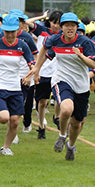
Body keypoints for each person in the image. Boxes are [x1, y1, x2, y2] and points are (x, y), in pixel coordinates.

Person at [25, 12, 95, 161]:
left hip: (81, 84)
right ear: (61, 27)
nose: (70, 28)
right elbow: (44, 49)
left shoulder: (84, 42)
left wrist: (81, 56)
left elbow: (92, 64)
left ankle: (71, 146)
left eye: (73, 25)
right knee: (66, 108)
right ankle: (62, 135)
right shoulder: (56, 40)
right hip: (62, 79)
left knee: (77, 123)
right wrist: (37, 69)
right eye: (66, 25)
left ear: (76, 28)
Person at [0, 14, 35, 155]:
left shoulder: (22, 45)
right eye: (7, 31)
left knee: (14, 121)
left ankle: (6, 147)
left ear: (18, 30)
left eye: (12, 31)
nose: (9, 34)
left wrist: (29, 75)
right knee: (4, 118)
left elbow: (32, 64)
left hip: (15, 86)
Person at [25, 10, 62, 139]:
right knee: (42, 102)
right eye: (53, 22)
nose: (55, 26)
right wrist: (42, 16)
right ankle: (41, 127)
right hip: (43, 71)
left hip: (58, 71)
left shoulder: (64, 35)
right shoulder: (42, 30)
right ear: (49, 21)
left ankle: (57, 117)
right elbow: (27, 22)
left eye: (58, 23)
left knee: (60, 99)